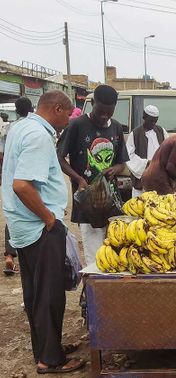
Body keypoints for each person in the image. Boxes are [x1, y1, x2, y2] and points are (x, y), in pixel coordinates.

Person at [1, 90, 85, 373]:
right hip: (39, 227)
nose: (68, 121)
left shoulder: (21, 126)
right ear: (58, 109)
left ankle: (47, 348)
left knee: (35, 292)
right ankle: (50, 360)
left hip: (22, 226)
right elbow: (22, 185)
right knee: (50, 294)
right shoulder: (38, 136)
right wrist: (49, 219)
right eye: (68, 114)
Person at [57, 85, 128, 265]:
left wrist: (116, 169)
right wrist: (79, 179)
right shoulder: (77, 125)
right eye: (100, 111)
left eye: (109, 112)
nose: (104, 116)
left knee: (114, 252)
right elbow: (59, 157)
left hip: (112, 202)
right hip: (88, 202)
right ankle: (93, 292)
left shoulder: (117, 128)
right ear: (93, 103)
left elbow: (122, 162)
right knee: (95, 256)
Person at [2, 97, 34, 276]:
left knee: (12, 218)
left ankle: (9, 256)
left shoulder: (11, 128)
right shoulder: (33, 128)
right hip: (27, 180)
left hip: (9, 176)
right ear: (31, 109)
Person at [126, 105, 168, 197]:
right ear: (144, 117)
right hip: (141, 177)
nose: (153, 123)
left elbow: (168, 148)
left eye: (155, 121)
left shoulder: (161, 131)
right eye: (151, 121)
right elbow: (129, 155)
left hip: (158, 177)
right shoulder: (135, 134)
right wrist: (146, 164)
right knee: (139, 205)